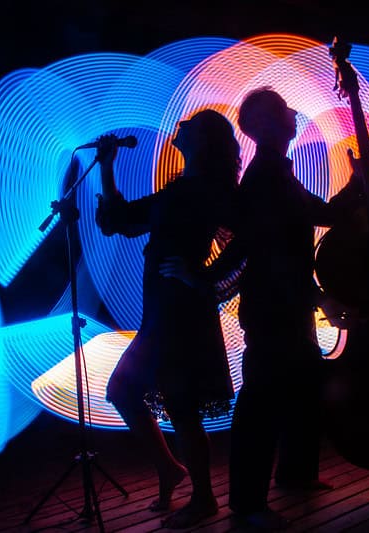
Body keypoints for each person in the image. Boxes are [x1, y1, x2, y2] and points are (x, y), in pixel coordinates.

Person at [218, 87, 361, 530]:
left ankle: (296, 474)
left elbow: (322, 215)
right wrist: (320, 298)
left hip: (286, 304)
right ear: (264, 125)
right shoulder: (266, 179)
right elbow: (276, 257)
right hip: (274, 307)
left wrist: (357, 183)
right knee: (262, 403)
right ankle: (248, 504)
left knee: (301, 389)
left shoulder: (277, 173)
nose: (292, 115)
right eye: (283, 110)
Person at [94, 109, 240, 529]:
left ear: (205, 141)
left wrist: (201, 278)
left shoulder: (210, 191)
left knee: (180, 404)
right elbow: (121, 222)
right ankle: (172, 471)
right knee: (127, 391)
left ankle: (204, 499)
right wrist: (107, 167)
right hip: (161, 310)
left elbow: (244, 248)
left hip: (183, 312)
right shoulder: (179, 189)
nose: (180, 126)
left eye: (189, 126)